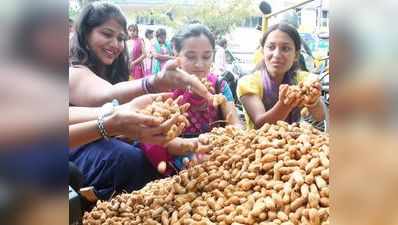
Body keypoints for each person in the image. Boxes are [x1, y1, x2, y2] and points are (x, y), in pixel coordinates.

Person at [68, 2, 212, 200]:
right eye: (107, 34)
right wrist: (154, 82)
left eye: (120, 38)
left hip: (99, 136)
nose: (116, 44)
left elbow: (115, 114)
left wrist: (179, 143)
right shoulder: (73, 71)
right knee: (130, 160)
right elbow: (108, 95)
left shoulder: (112, 72)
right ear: (85, 34)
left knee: (151, 153)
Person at [141, 24, 242, 175]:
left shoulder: (220, 86)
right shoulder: (165, 87)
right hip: (173, 164)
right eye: (191, 56)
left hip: (214, 159)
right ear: (176, 53)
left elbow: (235, 124)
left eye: (206, 56)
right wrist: (192, 146)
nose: (199, 64)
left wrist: (226, 140)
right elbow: (154, 138)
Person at [237, 23, 325, 129]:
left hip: (293, 143)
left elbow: (320, 116)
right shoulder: (248, 83)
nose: (277, 54)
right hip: (257, 144)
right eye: (271, 47)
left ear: (296, 55)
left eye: (285, 48)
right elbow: (260, 124)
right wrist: (285, 104)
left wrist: (313, 100)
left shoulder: (303, 80)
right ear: (262, 51)